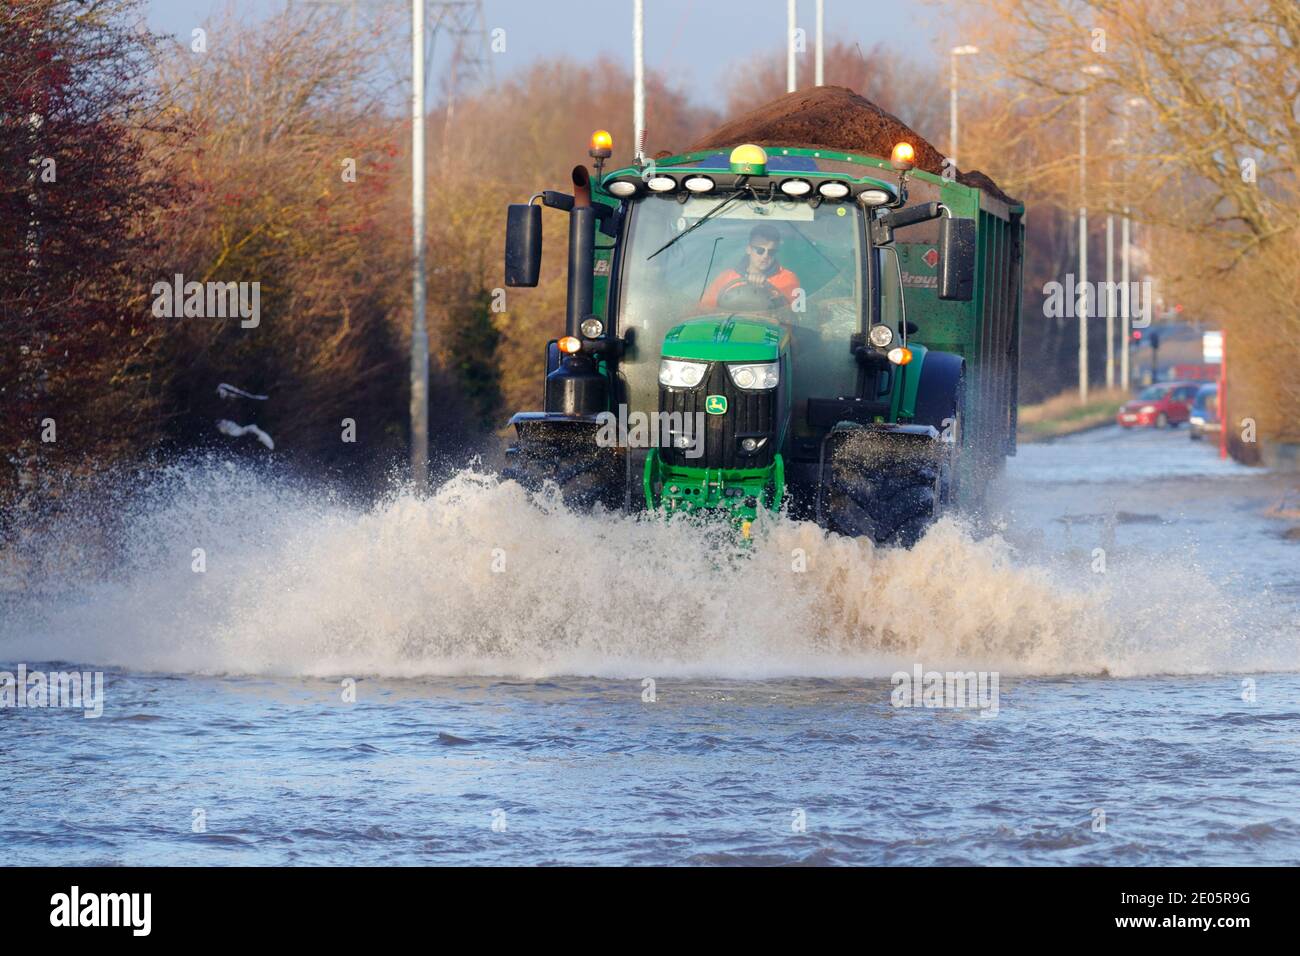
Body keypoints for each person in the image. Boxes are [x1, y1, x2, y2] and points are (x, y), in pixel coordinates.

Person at [701, 224, 800, 310]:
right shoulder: (726, 278)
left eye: (771, 252)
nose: (765, 256)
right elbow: (704, 309)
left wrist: (765, 291)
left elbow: (792, 317)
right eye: (760, 250)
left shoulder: (788, 279)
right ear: (749, 249)